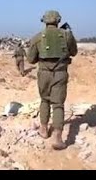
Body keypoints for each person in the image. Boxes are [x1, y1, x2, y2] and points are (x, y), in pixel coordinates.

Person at [26, 10, 78, 150]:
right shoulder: (66, 35)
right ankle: (57, 137)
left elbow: (30, 60)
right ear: (58, 20)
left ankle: (43, 130)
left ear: (44, 21)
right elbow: (74, 52)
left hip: (43, 74)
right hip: (60, 73)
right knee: (58, 104)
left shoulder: (37, 37)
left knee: (44, 100)